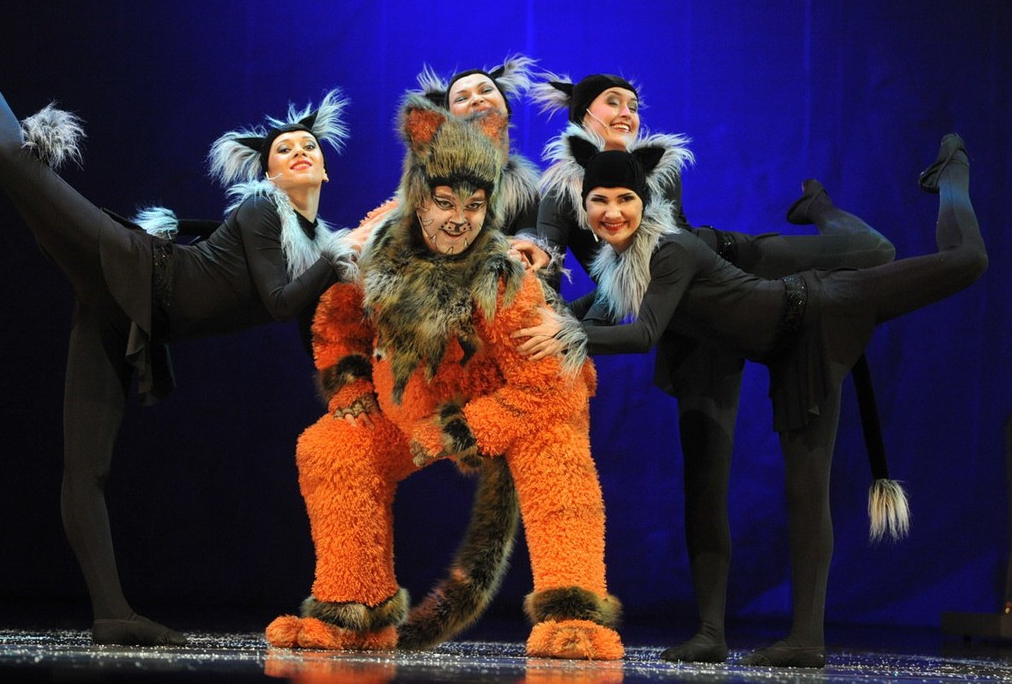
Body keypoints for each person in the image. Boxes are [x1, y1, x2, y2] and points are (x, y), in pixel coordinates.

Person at [515, 126, 987, 667]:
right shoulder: (619, 266)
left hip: (822, 309)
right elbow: (591, 315)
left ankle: (953, 172)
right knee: (805, 490)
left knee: (966, 260)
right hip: (789, 354)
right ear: (583, 205)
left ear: (645, 202)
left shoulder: (671, 249)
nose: (613, 211)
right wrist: (529, 319)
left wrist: (566, 333)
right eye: (600, 200)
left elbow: (643, 335)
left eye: (625, 199)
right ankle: (805, 642)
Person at [0, 37, 363, 646]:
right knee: (12, 156)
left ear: (325, 169)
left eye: (308, 147)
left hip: (126, 315)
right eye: (284, 149)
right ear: (268, 174)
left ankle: (111, 614)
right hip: (135, 266)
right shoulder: (264, 213)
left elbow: (307, 327)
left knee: (86, 468)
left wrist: (349, 389)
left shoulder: (311, 247)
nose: (298, 152)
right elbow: (278, 302)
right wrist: (339, 258)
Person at [264, 94, 625, 660]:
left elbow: (548, 387)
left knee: (557, 447)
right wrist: (352, 386)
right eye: (444, 202)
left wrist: (462, 429)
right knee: (332, 446)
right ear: (418, 198)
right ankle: (354, 612)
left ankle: (575, 616)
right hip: (414, 404)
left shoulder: (504, 278)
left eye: (475, 206)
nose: (459, 219)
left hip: (515, 406)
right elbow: (336, 318)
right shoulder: (378, 246)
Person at [416, 54, 549, 271]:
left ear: (506, 108)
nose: (477, 99)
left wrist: (525, 251)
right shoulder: (432, 178)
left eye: (486, 90)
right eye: (461, 98)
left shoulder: (525, 190)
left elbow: (530, 236)